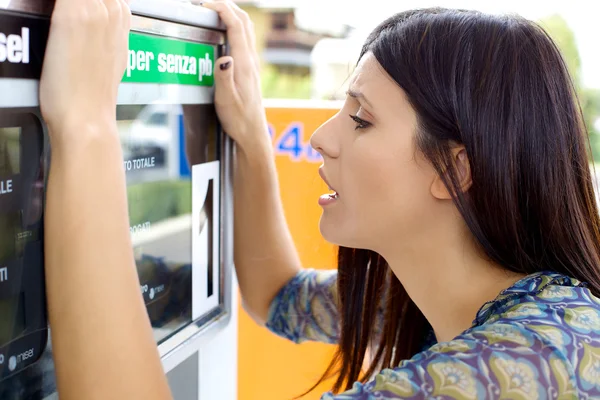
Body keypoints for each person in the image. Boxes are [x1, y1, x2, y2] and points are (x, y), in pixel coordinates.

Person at [38, 0, 600, 398]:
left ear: (453, 168)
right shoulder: (462, 300)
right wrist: (251, 136)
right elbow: (278, 296)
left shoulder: (536, 359)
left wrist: (86, 125)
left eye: (359, 118)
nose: (320, 137)